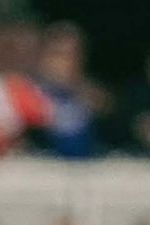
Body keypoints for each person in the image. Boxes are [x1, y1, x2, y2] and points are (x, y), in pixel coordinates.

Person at [34, 22, 110, 159]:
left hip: (87, 170)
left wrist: (75, 87)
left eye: (73, 55)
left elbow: (111, 118)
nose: (65, 62)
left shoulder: (94, 94)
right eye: (58, 54)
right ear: (43, 56)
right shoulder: (27, 90)